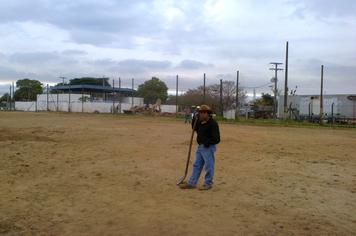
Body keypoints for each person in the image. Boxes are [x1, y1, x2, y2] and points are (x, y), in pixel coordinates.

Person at [179, 104, 220, 190]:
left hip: (208, 148)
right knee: (197, 165)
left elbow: (217, 139)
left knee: (209, 166)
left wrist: (207, 143)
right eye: (200, 112)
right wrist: (195, 118)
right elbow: (194, 128)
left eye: (204, 113)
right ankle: (192, 183)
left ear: (208, 113)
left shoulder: (213, 124)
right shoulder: (200, 122)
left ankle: (208, 183)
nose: (202, 114)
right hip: (200, 147)